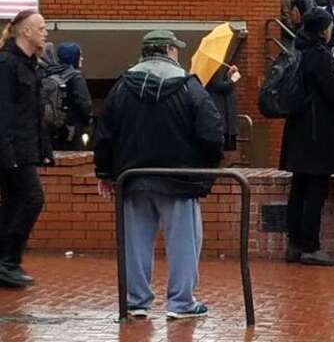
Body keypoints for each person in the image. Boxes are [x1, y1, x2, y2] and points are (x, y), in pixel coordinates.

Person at [93, 30, 223, 318]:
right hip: (178, 178)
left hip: (133, 177)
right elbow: (212, 132)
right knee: (184, 243)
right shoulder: (189, 86)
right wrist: (204, 170)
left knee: (134, 244)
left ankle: (136, 302)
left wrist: (104, 171)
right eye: (176, 49)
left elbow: (104, 133)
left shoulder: (122, 86)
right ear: (168, 50)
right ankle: (181, 302)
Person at [281, 8, 334, 265]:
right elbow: (332, 92)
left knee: (298, 188)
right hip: (316, 131)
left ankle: (294, 244)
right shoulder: (320, 56)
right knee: (316, 190)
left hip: (298, 128)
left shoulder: (297, 52)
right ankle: (311, 246)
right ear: (322, 29)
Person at [0, 10, 51, 287]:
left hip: (24, 148)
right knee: (32, 198)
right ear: (25, 32)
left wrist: (43, 148)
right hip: (12, 151)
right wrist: (7, 153)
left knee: (13, 202)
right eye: (41, 28)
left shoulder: (30, 65)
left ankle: (6, 261)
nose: (45, 33)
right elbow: (5, 112)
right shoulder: (7, 64)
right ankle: (8, 260)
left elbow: (31, 114)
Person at [43, 42, 92, 151]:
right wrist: (88, 121)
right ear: (73, 57)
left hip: (54, 130)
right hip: (73, 129)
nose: (82, 58)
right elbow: (85, 104)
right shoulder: (76, 77)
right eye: (80, 55)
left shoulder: (50, 73)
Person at [206, 64, 240, 153]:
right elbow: (219, 86)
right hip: (220, 111)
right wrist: (233, 79)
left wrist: (228, 75)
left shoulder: (217, 69)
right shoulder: (211, 69)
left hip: (224, 111)